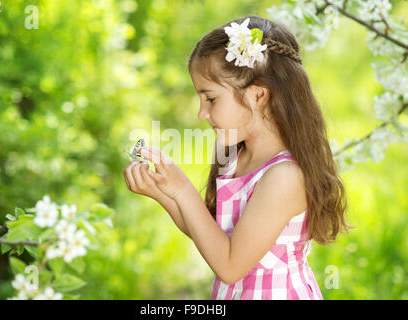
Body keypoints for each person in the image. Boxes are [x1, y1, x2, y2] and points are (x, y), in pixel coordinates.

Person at [123, 15, 352, 300]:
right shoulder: (236, 156)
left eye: (211, 99)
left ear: (258, 96)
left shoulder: (284, 176)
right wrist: (162, 192)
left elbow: (230, 266)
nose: (201, 113)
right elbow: (211, 235)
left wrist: (183, 189)